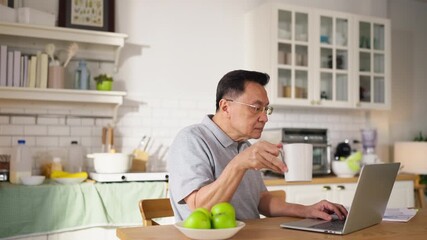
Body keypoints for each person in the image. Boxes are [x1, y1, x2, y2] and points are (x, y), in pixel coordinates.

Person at [167, 69, 348, 221]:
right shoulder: (191, 140)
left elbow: (261, 200)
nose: (265, 117)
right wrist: (239, 164)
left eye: (266, 109)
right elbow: (200, 208)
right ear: (225, 107)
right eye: (256, 108)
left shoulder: (244, 146)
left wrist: (307, 210)